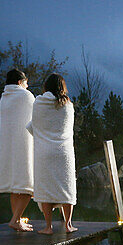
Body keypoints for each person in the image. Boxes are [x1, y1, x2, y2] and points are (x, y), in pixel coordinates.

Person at [27, 73, 77, 234]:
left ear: (46, 86)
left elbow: (35, 126)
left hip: (44, 152)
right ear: (62, 87)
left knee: (45, 187)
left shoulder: (38, 103)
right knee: (66, 187)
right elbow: (68, 129)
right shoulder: (68, 105)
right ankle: (68, 225)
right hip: (64, 152)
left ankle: (48, 227)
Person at [0, 69, 35, 231]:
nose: (28, 85)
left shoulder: (4, 98)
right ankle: (15, 219)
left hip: (8, 147)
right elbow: (36, 117)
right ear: (20, 82)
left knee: (15, 185)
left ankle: (16, 220)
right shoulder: (26, 96)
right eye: (26, 82)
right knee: (27, 185)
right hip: (24, 145)